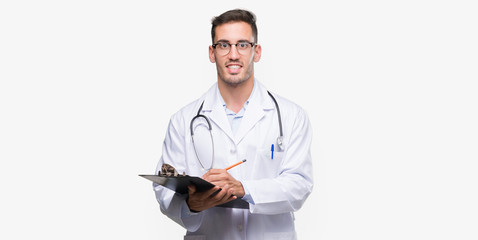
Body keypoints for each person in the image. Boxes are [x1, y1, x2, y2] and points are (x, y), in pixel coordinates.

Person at [153, 9, 313, 240]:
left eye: (243, 45)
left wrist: (244, 188)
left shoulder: (291, 116)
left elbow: (299, 185)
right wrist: (192, 205)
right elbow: (164, 190)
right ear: (212, 52)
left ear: (256, 52)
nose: (234, 54)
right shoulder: (183, 120)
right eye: (224, 45)